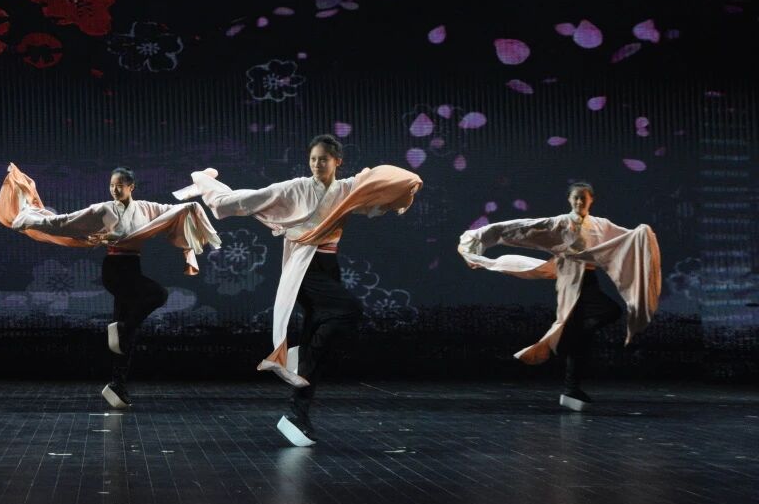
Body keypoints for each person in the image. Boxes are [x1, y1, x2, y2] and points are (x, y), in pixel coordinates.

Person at [177, 136, 421, 446]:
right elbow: (245, 201)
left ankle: (298, 412)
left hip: (328, 267)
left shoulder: (346, 189)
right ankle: (302, 358)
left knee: (318, 338)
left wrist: (400, 192)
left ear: (337, 161)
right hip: (305, 268)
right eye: (313, 159)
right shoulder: (296, 188)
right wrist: (207, 185)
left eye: (324, 159)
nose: (317, 164)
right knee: (347, 311)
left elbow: (396, 182)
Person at [0, 162, 220, 409]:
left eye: (120, 185)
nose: (114, 190)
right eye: (112, 185)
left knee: (126, 339)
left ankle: (117, 384)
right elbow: (65, 222)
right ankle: (123, 328)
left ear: (131, 187)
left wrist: (191, 205)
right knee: (158, 294)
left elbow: (172, 211)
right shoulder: (103, 209)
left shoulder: (146, 208)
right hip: (115, 270)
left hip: (132, 268)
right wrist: (30, 219)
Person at [458, 181, 661, 411]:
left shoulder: (601, 224)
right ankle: (569, 353)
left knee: (585, 336)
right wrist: (479, 236)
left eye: (583, 198)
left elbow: (625, 239)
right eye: (576, 198)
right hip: (570, 279)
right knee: (605, 315)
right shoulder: (559, 223)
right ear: (569, 200)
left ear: (591, 200)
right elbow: (521, 228)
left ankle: (571, 387)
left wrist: (643, 234)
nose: (579, 202)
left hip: (589, 278)